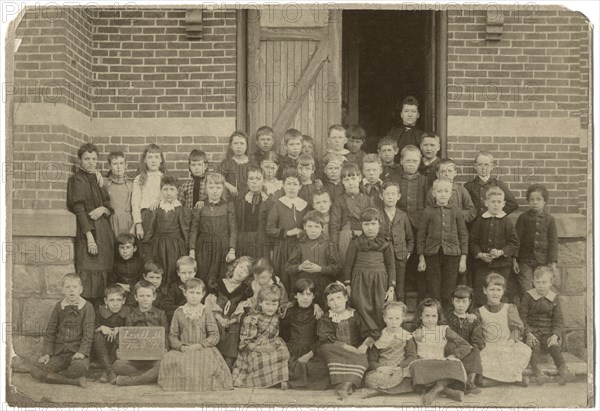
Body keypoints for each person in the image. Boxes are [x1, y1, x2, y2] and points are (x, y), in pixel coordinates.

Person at [158, 278, 233, 391]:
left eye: (198, 293)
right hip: (185, 347)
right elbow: (173, 335)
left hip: (202, 348)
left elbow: (214, 335)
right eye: (191, 292)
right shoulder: (179, 312)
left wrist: (200, 345)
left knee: (205, 364)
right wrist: (181, 347)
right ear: (185, 293)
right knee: (175, 362)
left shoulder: (206, 311)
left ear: (203, 294)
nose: (194, 296)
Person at [67, 142, 114, 306]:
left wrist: (103, 209)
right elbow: (79, 209)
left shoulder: (98, 179)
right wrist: (90, 238)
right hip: (89, 231)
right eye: (87, 159)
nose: (91, 162)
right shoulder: (77, 180)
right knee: (88, 275)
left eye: (94, 159)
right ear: (80, 160)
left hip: (105, 233)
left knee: (104, 278)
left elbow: (109, 206)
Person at [31, 274, 94, 387]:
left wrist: (82, 352)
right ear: (63, 290)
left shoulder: (87, 307)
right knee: (36, 370)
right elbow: (50, 332)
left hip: (77, 353)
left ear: (81, 289)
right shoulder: (59, 307)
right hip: (59, 353)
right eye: (68, 287)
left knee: (79, 368)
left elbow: (88, 334)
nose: (71, 290)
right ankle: (72, 381)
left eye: (74, 287)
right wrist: (47, 353)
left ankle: (54, 377)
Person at [316, 282, 377, 400]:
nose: (336, 302)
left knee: (362, 356)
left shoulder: (355, 315)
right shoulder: (326, 317)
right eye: (331, 300)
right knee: (325, 347)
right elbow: (325, 337)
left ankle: (346, 384)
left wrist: (364, 345)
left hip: (355, 348)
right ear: (327, 303)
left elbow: (371, 332)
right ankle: (344, 383)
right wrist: (347, 347)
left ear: (346, 298)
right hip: (335, 350)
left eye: (339, 297)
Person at [417, 179, 468, 311]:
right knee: (434, 288)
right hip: (432, 254)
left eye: (446, 191)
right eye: (439, 191)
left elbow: (463, 235)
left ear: (451, 193)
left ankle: (448, 315)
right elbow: (421, 235)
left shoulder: (456, 211)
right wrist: (421, 258)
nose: (443, 194)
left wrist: (463, 259)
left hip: (452, 255)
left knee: (449, 288)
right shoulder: (428, 211)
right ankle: (435, 316)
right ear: (434, 193)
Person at [410, 298, 471, 406]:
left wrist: (454, 355)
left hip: (441, 363)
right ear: (420, 316)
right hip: (425, 364)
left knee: (455, 364)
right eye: (427, 316)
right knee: (415, 366)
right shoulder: (416, 332)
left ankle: (436, 389)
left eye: (434, 316)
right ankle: (446, 390)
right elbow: (411, 352)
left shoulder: (444, 329)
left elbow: (465, 345)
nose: (430, 319)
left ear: (438, 316)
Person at [519, 267, 573, 385]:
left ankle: (563, 371)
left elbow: (558, 320)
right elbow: (522, 318)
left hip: (548, 333)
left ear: (550, 283)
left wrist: (555, 335)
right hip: (532, 333)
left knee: (554, 348)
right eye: (538, 282)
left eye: (544, 282)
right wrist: (528, 333)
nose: (541, 286)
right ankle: (538, 373)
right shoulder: (528, 296)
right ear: (533, 282)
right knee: (534, 347)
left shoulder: (554, 298)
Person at [344, 208, 395, 332]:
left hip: (380, 281)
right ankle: (366, 336)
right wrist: (348, 284)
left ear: (379, 224)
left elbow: (391, 265)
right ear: (361, 225)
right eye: (366, 224)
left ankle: (379, 336)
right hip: (360, 281)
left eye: (373, 224)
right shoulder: (356, 242)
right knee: (362, 306)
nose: (370, 228)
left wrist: (391, 287)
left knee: (379, 307)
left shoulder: (385, 243)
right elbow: (348, 265)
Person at [476, 273, 531, 387]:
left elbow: (516, 328)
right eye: (491, 289)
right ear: (485, 290)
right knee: (481, 357)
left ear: (503, 291)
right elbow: (478, 334)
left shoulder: (509, 308)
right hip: (490, 346)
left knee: (525, 350)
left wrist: (511, 341)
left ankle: (493, 381)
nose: (495, 293)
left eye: (498, 290)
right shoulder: (480, 311)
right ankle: (513, 379)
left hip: (507, 344)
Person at [111, 280, 169, 386]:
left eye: (148, 295)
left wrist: (165, 349)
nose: (145, 299)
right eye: (141, 296)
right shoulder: (131, 316)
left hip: (154, 358)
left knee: (165, 364)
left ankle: (131, 381)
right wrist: (121, 351)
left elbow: (165, 334)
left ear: (154, 297)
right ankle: (148, 377)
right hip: (135, 359)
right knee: (117, 365)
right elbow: (126, 338)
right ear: (136, 297)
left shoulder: (161, 314)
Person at [232, 285, 290, 389]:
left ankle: (280, 378)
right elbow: (244, 344)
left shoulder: (277, 316)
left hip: (271, 344)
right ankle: (264, 381)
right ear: (260, 303)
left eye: (274, 304)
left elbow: (290, 305)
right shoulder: (252, 318)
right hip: (253, 347)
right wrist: (260, 348)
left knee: (283, 353)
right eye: (267, 304)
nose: (271, 307)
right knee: (260, 359)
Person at [470, 187, 520, 306]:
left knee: (499, 293)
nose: (496, 205)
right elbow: (472, 242)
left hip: (502, 265)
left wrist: (501, 252)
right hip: (483, 265)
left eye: (499, 202)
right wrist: (480, 254)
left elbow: (514, 243)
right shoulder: (480, 221)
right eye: (493, 201)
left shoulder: (506, 221)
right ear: (486, 203)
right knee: (481, 294)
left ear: (503, 204)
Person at [189, 172, 237, 293]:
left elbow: (233, 228)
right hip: (204, 246)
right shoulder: (200, 206)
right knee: (203, 274)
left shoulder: (228, 205)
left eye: (218, 187)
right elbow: (194, 229)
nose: (214, 191)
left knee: (220, 276)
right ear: (205, 188)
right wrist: (192, 250)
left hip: (223, 245)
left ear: (223, 189)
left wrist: (232, 249)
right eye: (211, 187)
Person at [142, 176, 192, 291]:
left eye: (172, 189)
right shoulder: (155, 208)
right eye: (165, 189)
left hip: (175, 246)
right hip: (158, 245)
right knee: (159, 269)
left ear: (177, 191)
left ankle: (171, 293)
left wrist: (186, 248)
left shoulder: (181, 209)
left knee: (172, 269)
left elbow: (185, 231)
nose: (168, 193)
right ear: (160, 191)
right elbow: (149, 230)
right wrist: (146, 246)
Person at [280, 278, 330, 390]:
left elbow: (322, 338)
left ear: (313, 296)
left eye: (309, 294)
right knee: (285, 363)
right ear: (295, 296)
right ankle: (288, 379)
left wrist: (309, 354)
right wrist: (286, 350)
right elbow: (283, 334)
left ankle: (290, 380)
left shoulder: (318, 313)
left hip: (311, 351)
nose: (305, 298)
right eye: (301, 294)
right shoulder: (289, 312)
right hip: (291, 349)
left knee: (321, 368)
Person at [206, 256, 254, 369]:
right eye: (240, 267)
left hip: (232, 320)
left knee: (234, 330)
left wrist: (231, 321)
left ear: (248, 276)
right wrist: (220, 319)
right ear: (234, 266)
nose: (241, 272)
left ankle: (227, 365)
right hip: (216, 317)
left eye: (246, 271)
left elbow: (242, 308)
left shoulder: (245, 290)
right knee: (215, 327)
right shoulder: (217, 284)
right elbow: (210, 304)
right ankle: (212, 363)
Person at [286, 211, 341, 310]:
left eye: (316, 227)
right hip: (304, 287)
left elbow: (336, 268)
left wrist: (320, 269)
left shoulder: (328, 245)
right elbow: (289, 267)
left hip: (322, 284)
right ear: (304, 226)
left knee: (323, 311)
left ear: (322, 228)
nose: (313, 230)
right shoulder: (300, 245)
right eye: (310, 226)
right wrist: (300, 267)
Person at [266, 168, 309, 293]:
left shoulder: (305, 205)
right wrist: (287, 232)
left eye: (295, 184)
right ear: (283, 185)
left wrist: (303, 232)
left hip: (299, 246)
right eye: (288, 184)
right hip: (282, 247)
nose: (292, 187)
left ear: (300, 186)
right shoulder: (278, 204)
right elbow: (269, 229)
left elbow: (310, 224)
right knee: (283, 277)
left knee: (298, 277)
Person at [514, 183, 559, 299]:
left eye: (539, 199)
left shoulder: (550, 220)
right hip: (524, 261)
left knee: (542, 287)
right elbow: (516, 240)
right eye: (532, 199)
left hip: (542, 261)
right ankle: (526, 315)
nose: (535, 202)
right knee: (526, 289)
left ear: (545, 201)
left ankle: (538, 315)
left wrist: (553, 264)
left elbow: (553, 242)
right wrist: (514, 259)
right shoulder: (523, 218)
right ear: (528, 201)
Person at [363, 301, 416, 398]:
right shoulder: (379, 336)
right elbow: (371, 360)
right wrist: (380, 368)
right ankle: (393, 390)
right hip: (383, 371)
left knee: (410, 375)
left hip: (400, 369)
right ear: (384, 319)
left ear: (402, 319)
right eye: (390, 318)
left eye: (397, 318)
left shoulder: (407, 336)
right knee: (371, 378)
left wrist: (400, 367)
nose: (394, 322)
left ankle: (382, 391)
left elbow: (411, 356)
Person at [397, 145, 428, 301]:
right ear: (401, 161)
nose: (411, 164)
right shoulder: (395, 179)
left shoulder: (425, 181)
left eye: (415, 161)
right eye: (408, 160)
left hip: (418, 226)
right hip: (399, 226)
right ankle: (401, 290)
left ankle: (418, 292)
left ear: (420, 162)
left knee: (417, 255)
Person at [330, 162, 375, 262]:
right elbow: (334, 226)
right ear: (342, 182)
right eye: (347, 179)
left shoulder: (368, 200)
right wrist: (334, 248)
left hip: (364, 238)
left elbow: (375, 222)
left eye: (354, 178)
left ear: (359, 178)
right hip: (345, 239)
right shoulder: (339, 200)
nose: (351, 183)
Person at [446, 285, 484, 395]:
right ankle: (456, 381)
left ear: (470, 302)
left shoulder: (473, 320)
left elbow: (478, 339)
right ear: (452, 301)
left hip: (468, 349)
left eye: (464, 302)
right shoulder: (448, 318)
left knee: (475, 352)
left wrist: (473, 346)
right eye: (457, 301)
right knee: (452, 349)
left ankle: (470, 381)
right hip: (453, 348)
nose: (461, 305)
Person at [379, 182, 414, 302]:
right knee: (384, 285)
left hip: (400, 257)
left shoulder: (403, 216)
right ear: (381, 196)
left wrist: (407, 252)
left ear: (398, 196)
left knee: (399, 287)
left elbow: (410, 238)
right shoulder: (378, 215)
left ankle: (400, 313)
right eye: (387, 194)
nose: (390, 197)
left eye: (393, 194)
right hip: (383, 257)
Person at [464, 151, 519, 219]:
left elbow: (513, 204)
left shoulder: (498, 184)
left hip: (494, 223)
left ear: (492, 166)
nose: (483, 168)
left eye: (486, 164)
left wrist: (499, 215)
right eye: (480, 164)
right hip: (475, 225)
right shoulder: (469, 186)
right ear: (475, 167)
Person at [93, 284, 129, 384]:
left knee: (121, 335)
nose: (115, 304)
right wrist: (101, 327)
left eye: (118, 300)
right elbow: (90, 326)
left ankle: (107, 371)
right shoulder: (99, 311)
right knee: (96, 336)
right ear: (105, 301)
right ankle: (110, 370)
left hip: (118, 348)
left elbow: (132, 328)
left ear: (124, 300)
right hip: (102, 348)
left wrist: (121, 329)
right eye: (111, 300)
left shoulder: (129, 312)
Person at [132, 143, 167, 244]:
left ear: (161, 160)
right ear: (145, 160)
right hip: (145, 217)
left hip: (161, 217)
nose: (153, 160)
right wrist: (138, 224)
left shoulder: (164, 178)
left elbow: (169, 197)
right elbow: (135, 203)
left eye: (156, 157)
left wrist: (159, 201)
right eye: (150, 157)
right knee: (145, 246)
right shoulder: (139, 179)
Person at [426, 158, 477, 225]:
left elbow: (471, 211)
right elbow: (428, 212)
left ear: (455, 173)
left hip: (457, 228)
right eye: (443, 171)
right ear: (437, 174)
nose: (446, 174)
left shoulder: (461, 190)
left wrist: (457, 216)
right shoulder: (432, 191)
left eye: (449, 171)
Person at [235, 165, 269, 258]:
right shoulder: (241, 200)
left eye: (258, 179)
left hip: (261, 241)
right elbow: (236, 223)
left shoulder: (269, 201)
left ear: (264, 181)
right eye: (251, 178)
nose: (254, 182)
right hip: (243, 240)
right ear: (247, 181)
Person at [103, 151, 134, 237]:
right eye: (115, 164)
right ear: (110, 166)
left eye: (121, 163)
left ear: (126, 165)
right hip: (111, 221)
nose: (119, 167)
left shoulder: (131, 184)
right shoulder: (105, 184)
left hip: (128, 221)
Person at [219, 131, 257, 198]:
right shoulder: (227, 163)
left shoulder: (253, 163)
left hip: (249, 198)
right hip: (232, 199)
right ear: (231, 146)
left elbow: (258, 179)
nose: (239, 146)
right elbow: (218, 178)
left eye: (242, 143)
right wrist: (228, 186)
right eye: (236, 143)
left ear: (247, 146)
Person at [387, 96, 424, 163]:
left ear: (418, 115)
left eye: (413, 111)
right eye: (406, 111)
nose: (410, 115)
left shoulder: (422, 135)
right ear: (401, 114)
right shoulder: (393, 133)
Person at [162, 256, 198, 322]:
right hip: (181, 317)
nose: (187, 276)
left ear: (195, 272)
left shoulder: (199, 286)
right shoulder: (174, 287)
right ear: (178, 273)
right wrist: (184, 308)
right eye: (183, 273)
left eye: (190, 272)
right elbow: (166, 305)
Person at [109, 233, 144, 298]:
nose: (125, 251)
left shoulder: (140, 263)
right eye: (122, 247)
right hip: (119, 293)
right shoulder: (115, 264)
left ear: (135, 248)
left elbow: (142, 280)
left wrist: (130, 287)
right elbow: (110, 281)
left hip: (136, 293)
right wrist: (119, 286)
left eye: (128, 247)